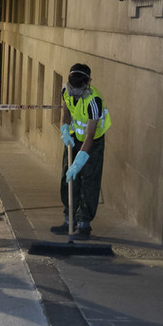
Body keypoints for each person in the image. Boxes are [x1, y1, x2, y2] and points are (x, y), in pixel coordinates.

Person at [52, 63, 112, 238]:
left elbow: (90, 135)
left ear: (88, 83)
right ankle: (69, 220)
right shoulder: (66, 91)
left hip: (92, 144)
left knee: (88, 180)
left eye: (79, 89)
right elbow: (66, 113)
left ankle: (84, 224)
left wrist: (79, 162)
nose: (75, 92)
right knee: (68, 178)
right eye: (73, 88)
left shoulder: (94, 101)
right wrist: (64, 129)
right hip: (73, 139)